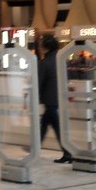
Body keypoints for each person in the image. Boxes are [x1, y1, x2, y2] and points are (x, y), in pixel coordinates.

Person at [38, 34, 72, 163]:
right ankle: (35, 147)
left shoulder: (44, 63)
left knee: (55, 126)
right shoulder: (61, 61)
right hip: (59, 98)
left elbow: (39, 82)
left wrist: (35, 97)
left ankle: (68, 152)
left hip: (49, 99)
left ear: (46, 47)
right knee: (45, 124)